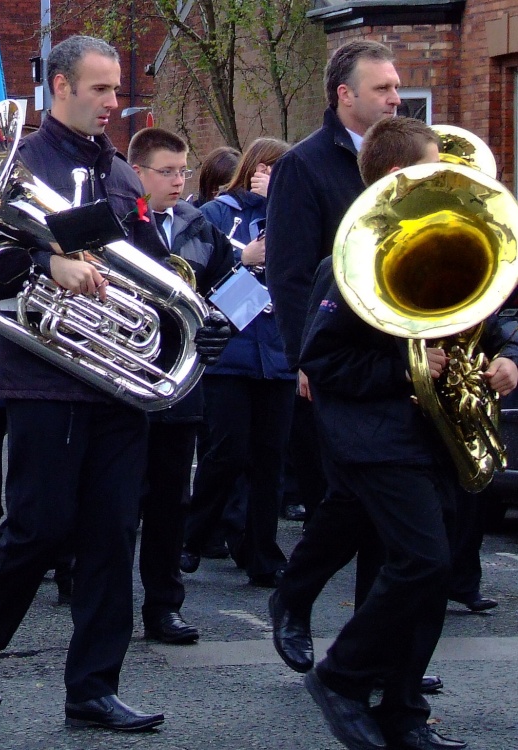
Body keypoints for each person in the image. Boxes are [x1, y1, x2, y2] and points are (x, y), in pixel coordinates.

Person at [0, 36, 229, 731]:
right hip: (45, 374)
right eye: (100, 89)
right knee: (40, 526)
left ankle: (93, 689)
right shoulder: (16, 160)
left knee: (112, 533)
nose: (113, 102)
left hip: (115, 381)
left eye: (115, 90)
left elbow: (146, 261)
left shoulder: (120, 173)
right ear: (60, 85)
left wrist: (195, 311)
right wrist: (48, 266)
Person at [300, 114, 517, 750]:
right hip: (377, 437)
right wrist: (407, 367)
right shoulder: (347, 258)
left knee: (435, 569)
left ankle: (403, 709)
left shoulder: (446, 240)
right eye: (433, 172)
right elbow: (325, 361)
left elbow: (493, 317)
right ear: (401, 178)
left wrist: (506, 357)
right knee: (421, 561)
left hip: (436, 434)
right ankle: (341, 675)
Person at [265, 40, 405, 675]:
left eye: (397, 87)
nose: (395, 98)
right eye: (382, 89)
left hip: (397, 358)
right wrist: (306, 358)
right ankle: (294, 601)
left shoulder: (404, 162)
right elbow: (291, 275)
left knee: (389, 507)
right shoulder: (305, 165)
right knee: (350, 500)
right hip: (338, 358)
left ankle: (376, 641)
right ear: (345, 95)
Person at [127, 126, 234, 643]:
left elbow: (234, 284)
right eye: (165, 171)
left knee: (171, 500)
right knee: (118, 497)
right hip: (125, 374)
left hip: (182, 376)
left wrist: (221, 329)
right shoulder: (119, 220)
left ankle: (164, 606)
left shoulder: (198, 224)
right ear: (138, 173)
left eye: (182, 170)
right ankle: (88, 587)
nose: (177, 180)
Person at [181, 138, 294, 587]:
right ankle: (192, 535)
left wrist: (279, 212)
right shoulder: (216, 214)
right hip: (231, 351)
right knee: (227, 450)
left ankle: (262, 553)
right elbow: (197, 283)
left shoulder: (291, 217)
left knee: (270, 459)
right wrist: (243, 260)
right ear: (254, 170)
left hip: (278, 354)